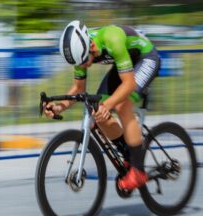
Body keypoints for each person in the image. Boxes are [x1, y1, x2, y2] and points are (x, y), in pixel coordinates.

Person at [44, 20, 161, 190]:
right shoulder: (80, 52)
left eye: (84, 61)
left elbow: (128, 85)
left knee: (122, 106)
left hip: (146, 58)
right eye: (78, 64)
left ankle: (138, 171)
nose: (82, 66)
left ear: (90, 46)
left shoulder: (112, 38)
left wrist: (108, 105)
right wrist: (58, 106)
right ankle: (129, 154)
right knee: (97, 110)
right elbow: (78, 89)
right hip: (125, 62)